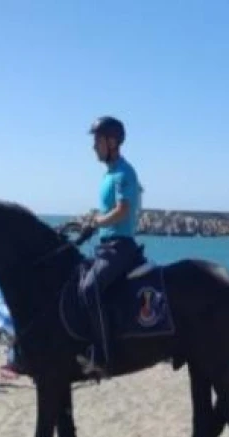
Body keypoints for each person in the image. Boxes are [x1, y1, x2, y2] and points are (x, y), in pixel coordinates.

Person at [77, 115, 143, 374]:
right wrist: (92, 220)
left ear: (112, 142)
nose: (94, 146)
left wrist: (98, 222)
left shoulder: (125, 173)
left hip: (121, 246)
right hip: (106, 245)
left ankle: (103, 354)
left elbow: (122, 211)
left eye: (97, 140)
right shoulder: (109, 174)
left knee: (90, 288)